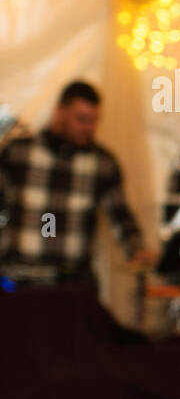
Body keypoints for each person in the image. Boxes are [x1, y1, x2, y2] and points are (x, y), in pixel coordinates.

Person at [0, 81, 155, 286]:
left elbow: (120, 214)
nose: (88, 128)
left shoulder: (102, 163)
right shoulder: (18, 153)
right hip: (19, 280)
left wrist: (137, 249)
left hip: (73, 282)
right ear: (59, 112)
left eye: (94, 121)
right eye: (81, 119)